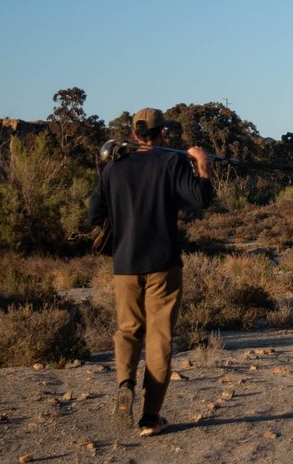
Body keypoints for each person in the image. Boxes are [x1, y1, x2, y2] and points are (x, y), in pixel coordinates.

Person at [88, 107, 212, 436]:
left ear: (133, 133)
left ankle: (125, 383)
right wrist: (201, 165)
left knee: (128, 330)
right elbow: (201, 199)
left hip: (125, 265)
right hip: (163, 263)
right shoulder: (172, 162)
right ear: (163, 133)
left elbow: (92, 214)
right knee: (159, 340)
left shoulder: (113, 168)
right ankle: (149, 417)